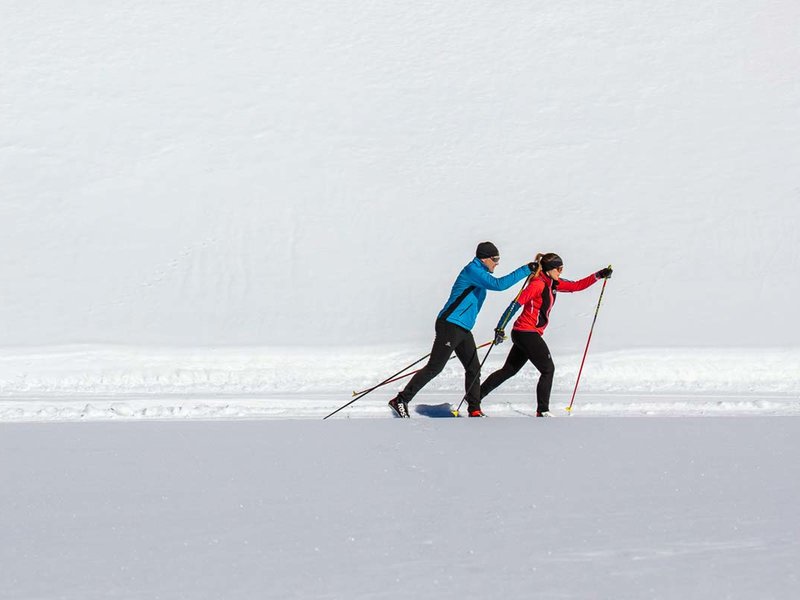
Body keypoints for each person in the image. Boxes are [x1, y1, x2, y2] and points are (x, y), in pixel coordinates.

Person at [389, 242, 536, 418]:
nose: (497, 263)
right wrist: (526, 269)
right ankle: (400, 400)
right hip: (450, 324)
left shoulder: (480, 272)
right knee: (435, 367)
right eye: (495, 259)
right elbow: (499, 285)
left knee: (474, 368)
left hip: (463, 328)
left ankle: (474, 409)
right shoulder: (473, 271)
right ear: (484, 258)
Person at [479, 253, 613, 416]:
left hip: (527, 333)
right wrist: (500, 328)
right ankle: (542, 410)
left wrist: (599, 275)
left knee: (508, 370)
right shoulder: (538, 285)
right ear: (549, 269)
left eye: (562, 268)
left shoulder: (553, 283)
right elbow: (515, 304)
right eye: (559, 268)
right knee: (548, 369)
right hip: (526, 332)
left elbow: (577, 286)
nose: (561, 272)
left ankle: (475, 396)